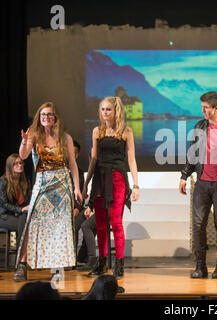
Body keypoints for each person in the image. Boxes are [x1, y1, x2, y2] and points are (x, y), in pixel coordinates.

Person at [13, 102, 82, 281]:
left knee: (60, 227)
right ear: (39, 117)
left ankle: (57, 269)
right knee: (32, 222)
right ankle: (22, 264)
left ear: (55, 117)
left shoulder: (65, 138)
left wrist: (77, 188)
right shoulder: (35, 136)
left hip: (62, 186)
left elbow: (72, 165)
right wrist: (24, 141)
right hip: (43, 185)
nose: (46, 117)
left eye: (49, 114)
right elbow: (23, 155)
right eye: (43, 114)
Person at [179, 91, 217, 279]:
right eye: (202, 107)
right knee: (198, 225)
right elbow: (192, 154)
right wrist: (184, 176)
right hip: (202, 183)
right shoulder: (200, 126)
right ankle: (200, 267)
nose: (202, 110)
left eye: (205, 108)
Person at [82, 96, 139, 278]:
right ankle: (101, 264)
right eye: (103, 109)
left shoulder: (126, 132)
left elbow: (131, 160)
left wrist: (136, 185)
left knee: (115, 222)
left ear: (116, 111)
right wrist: (85, 184)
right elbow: (94, 160)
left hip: (117, 179)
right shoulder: (97, 131)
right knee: (100, 224)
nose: (105, 112)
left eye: (108, 109)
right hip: (99, 179)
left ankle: (119, 265)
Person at [0, 154, 31, 250]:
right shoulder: (3, 181)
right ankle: (22, 253)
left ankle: (22, 253)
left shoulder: (25, 180)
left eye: (21, 163)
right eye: (16, 163)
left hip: (20, 215)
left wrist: (22, 210)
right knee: (25, 224)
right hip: (5, 216)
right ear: (10, 166)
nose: (20, 165)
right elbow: (4, 204)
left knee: (26, 219)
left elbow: (28, 199)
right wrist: (20, 209)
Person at [72, 142, 97, 271]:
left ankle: (81, 256)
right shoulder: (60, 171)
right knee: (82, 224)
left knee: (79, 223)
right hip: (64, 208)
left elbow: (81, 195)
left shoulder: (80, 172)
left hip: (83, 207)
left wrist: (78, 207)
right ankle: (77, 256)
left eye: (76, 152)